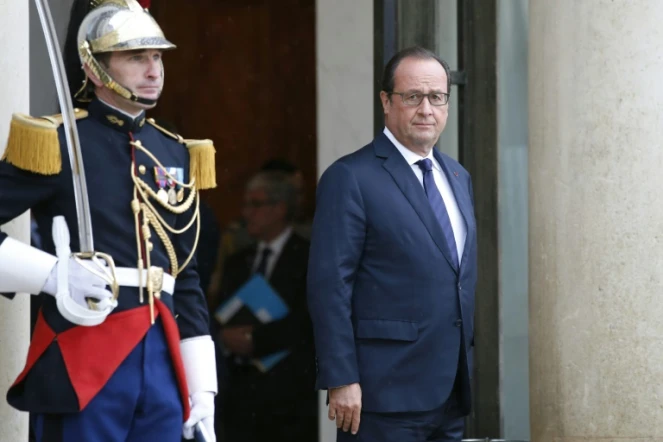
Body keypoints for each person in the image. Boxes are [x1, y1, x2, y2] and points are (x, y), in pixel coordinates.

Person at [0, 1, 218, 440]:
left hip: (162, 360)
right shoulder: (57, 140)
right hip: (84, 354)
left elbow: (183, 272)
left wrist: (203, 386)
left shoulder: (175, 150)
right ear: (96, 68)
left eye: (157, 56)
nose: (154, 69)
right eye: (136, 57)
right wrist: (51, 274)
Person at [307, 46, 478, 442]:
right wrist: (341, 377)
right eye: (413, 96)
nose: (426, 109)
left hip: (450, 390)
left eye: (437, 97)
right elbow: (329, 285)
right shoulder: (351, 176)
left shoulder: (457, 175)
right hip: (381, 393)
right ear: (386, 102)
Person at [213, 170, 317, 442]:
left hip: (289, 399)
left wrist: (255, 340)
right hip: (239, 399)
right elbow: (218, 314)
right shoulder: (238, 261)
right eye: (246, 204)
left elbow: (308, 321)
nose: (247, 212)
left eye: (255, 204)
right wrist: (224, 338)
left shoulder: (308, 257)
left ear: (279, 208)